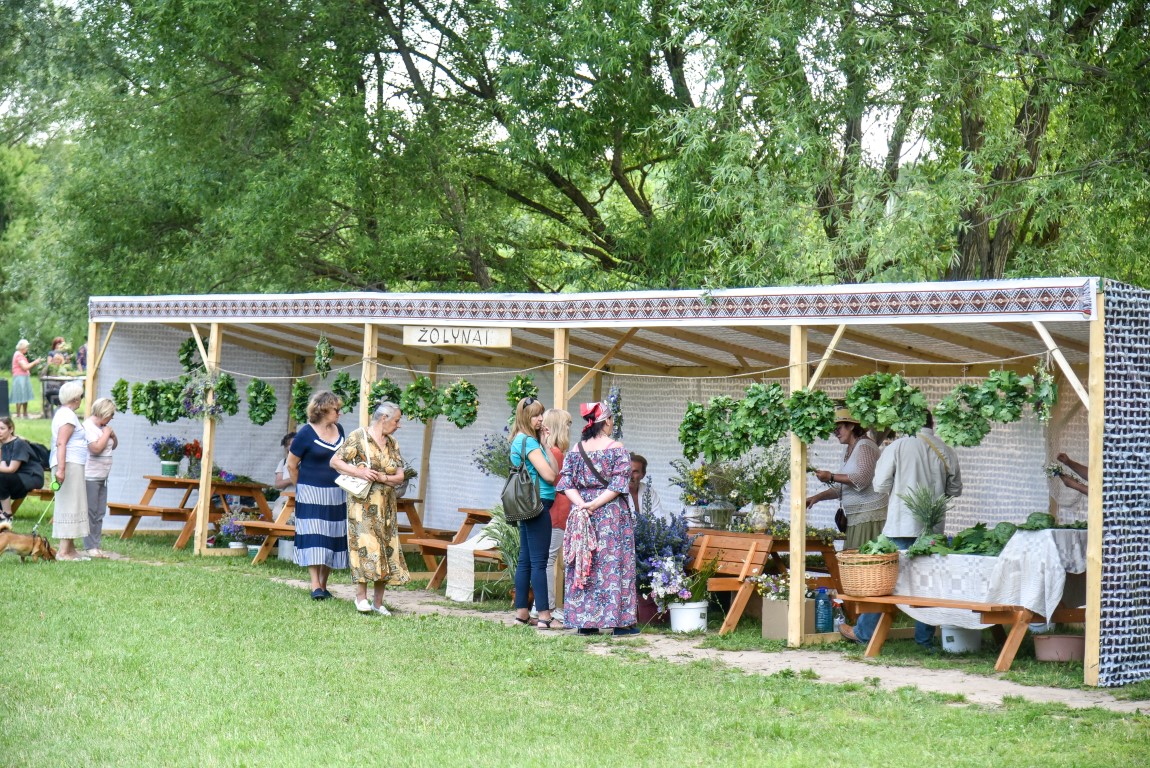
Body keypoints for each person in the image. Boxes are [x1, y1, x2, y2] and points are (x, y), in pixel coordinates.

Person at [843, 410, 962, 647]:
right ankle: (924, 640)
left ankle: (865, 633)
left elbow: (880, 484)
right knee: (927, 586)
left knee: (883, 582)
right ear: (931, 423)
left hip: (900, 525)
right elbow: (955, 490)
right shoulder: (946, 450)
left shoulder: (898, 446)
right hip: (932, 530)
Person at [557, 400, 638, 636]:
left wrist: (582, 504)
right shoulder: (616, 447)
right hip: (610, 515)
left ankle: (586, 623)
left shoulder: (576, 449)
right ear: (607, 421)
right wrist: (595, 504)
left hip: (582, 514)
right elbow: (618, 483)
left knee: (585, 562)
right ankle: (619, 623)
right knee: (614, 563)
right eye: (611, 419)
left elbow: (566, 482)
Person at [330, 401, 411, 615]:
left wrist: (384, 478)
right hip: (362, 504)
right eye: (396, 420)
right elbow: (335, 462)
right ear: (383, 418)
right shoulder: (359, 436)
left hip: (387, 505)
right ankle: (360, 597)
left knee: (385, 548)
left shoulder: (392, 442)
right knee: (366, 547)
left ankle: (378, 602)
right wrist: (360, 472)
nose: (399, 425)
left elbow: (400, 476)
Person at [287, 391, 348, 599]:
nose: (339, 413)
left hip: (336, 492)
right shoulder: (305, 433)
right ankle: (315, 586)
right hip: (311, 493)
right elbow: (291, 465)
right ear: (323, 409)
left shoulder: (339, 430)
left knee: (331, 536)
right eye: (336, 409)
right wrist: (302, 488)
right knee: (314, 536)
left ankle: (323, 584)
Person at [806, 407, 888, 550]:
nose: (836, 433)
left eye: (838, 428)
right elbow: (842, 487)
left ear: (851, 426)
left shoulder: (865, 446)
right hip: (856, 517)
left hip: (868, 515)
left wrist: (831, 476)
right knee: (854, 560)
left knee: (863, 561)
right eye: (834, 430)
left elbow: (862, 479)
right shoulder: (849, 449)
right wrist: (817, 497)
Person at [508, 396, 559, 630]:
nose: (540, 419)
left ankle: (522, 614)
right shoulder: (528, 442)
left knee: (526, 560)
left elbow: (554, 470)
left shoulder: (521, 440)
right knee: (539, 562)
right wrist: (540, 445)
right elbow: (550, 476)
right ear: (525, 417)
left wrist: (545, 444)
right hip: (537, 504)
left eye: (541, 414)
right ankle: (545, 616)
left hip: (526, 504)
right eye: (536, 415)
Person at [537, 407, 573, 621]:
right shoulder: (557, 453)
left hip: (551, 511)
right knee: (548, 560)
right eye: (567, 424)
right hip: (557, 512)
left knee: (545, 559)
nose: (569, 428)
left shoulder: (546, 451)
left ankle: (542, 605)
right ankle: (546, 607)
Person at [49, 380, 89, 561]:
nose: (81, 399)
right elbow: (61, 443)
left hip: (72, 464)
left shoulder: (65, 413)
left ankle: (71, 550)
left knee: (74, 503)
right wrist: (61, 469)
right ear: (75, 398)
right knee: (70, 504)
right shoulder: (67, 416)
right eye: (80, 396)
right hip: (68, 464)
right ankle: (64, 552)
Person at [81, 398, 118, 558]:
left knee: (100, 511)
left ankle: (96, 544)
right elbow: (95, 448)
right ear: (104, 413)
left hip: (103, 476)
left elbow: (112, 446)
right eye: (111, 415)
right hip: (90, 475)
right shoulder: (88, 427)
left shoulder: (103, 428)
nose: (112, 418)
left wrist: (112, 436)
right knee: (91, 511)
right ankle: (90, 546)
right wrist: (107, 434)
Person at [0, 417, 46, 529]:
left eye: (2, 428)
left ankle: (7, 515)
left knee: (1, 478)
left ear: (11, 429)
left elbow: (11, 469)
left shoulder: (18, 443)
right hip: (16, 477)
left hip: (31, 476)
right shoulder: (3, 445)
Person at [10, 340, 42, 419]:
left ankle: (25, 413)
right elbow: (25, 367)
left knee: (25, 395)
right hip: (20, 378)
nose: (27, 349)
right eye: (26, 347)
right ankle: (18, 414)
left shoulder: (21, 355)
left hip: (24, 377)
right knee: (19, 395)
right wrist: (35, 362)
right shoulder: (18, 355)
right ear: (22, 347)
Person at [628, 453, 665, 520]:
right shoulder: (615, 493)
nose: (631, 476)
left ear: (643, 475)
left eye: (635, 472)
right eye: (628, 470)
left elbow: (659, 518)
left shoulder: (648, 491)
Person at [272, 432, 296, 515]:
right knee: (278, 516)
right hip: (285, 499)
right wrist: (291, 479)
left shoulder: (306, 462)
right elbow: (277, 484)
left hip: (302, 499)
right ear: (286, 447)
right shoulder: (283, 462)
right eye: (290, 444)